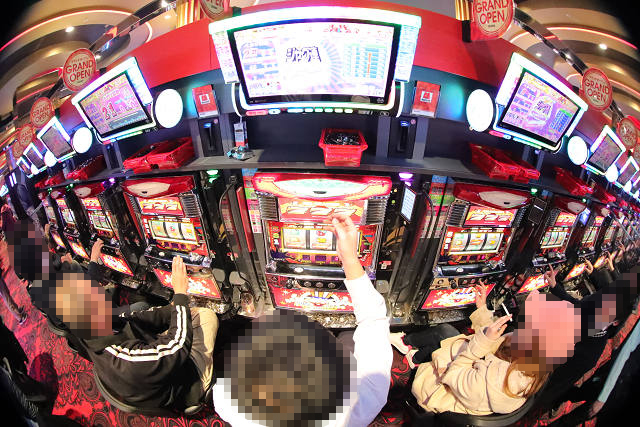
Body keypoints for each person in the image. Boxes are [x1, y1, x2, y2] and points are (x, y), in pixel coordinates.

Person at [211, 213, 392, 426]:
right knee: (349, 336)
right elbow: (374, 319)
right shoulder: (357, 405)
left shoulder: (230, 404)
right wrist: (350, 258)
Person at [43, 255, 218, 409]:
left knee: (182, 311)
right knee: (207, 314)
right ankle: (207, 383)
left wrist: (174, 306)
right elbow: (177, 347)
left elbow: (139, 318)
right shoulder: (123, 361)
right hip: (185, 382)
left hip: (155, 360)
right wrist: (180, 295)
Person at [390, 286, 579, 415]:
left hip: (437, 391)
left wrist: (477, 346)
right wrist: (482, 309)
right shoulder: (532, 360)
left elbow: (453, 374)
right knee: (447, 333)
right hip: (467, 378)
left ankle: (411, 357)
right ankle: (411, 351)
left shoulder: (496, 383)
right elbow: (494, 342)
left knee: (447, 336)